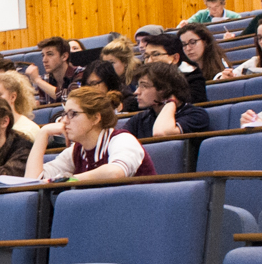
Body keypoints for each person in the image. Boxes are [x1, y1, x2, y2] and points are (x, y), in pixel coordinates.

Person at [25, 86, 156, 181]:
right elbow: (32, 181)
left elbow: (116, 172)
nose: (64, 121)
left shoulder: (122, 139)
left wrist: (69, 180)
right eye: (64, 114)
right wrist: (43, 134)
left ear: (95, 118)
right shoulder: (76, 150)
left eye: (72, 114)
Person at [124, 62, 210, 139]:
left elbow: (162, 133)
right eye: (137, 86)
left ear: (164, 89)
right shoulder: (140, 119)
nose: (136, 92)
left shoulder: (196, 115)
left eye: (144, 86)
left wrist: (171, 101)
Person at [137, 32, 208, 104]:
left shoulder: (193, 80)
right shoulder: (145, 79)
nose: (149, 61)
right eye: (146, 56)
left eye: (156, 54)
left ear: (175, 58)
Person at [25, 36, 82, 102]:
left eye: (50, 54)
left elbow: (72, 98)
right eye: (43, 55)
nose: (44, 60)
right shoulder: (45, 80)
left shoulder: (80, 73)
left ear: (64, 56)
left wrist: (38, 80)